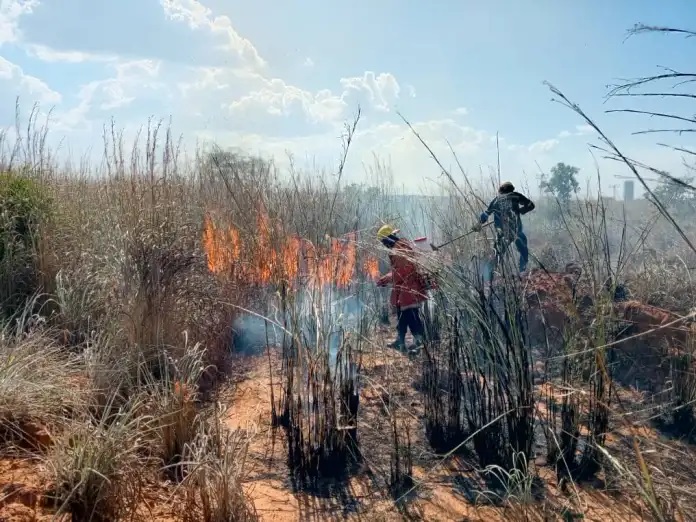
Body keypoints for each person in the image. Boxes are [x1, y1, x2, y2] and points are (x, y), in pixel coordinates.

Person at [375, 224, 428, 352]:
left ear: (389, 239)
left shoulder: (401, 248)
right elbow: (398, 271)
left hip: (409, 288)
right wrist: (386, 278)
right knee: (402, 315)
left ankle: (418, 342)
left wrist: (387, 279)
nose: (383, 245)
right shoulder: (398, 247)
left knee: (410, 315)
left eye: (383, 242)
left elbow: (403, 271)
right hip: (403, 289)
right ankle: (400, 341)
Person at [476, 181, 535, 273]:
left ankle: (490, 276)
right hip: (516, 231)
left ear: (501, 191)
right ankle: (522, 272)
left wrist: (478, 224)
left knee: (497, 255)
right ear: (511, 189)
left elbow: (486, 214)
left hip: (502, 233)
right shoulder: (516, 196)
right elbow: (531, 205)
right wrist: (520, 210)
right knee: (523, 252)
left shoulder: (496, 200)